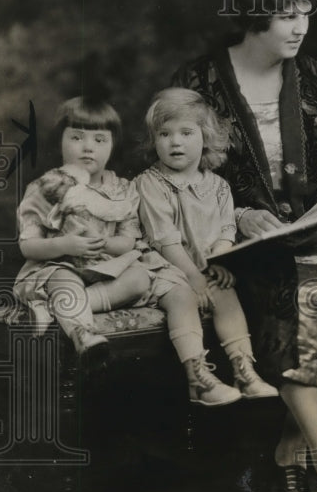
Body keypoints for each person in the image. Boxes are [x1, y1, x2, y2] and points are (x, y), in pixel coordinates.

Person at [171, 0, 317, 492]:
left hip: (308, 232)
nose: (300, 26)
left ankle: (290, 452)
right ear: (252, 16)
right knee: (289, 296)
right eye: (286, 14)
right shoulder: (197, 82)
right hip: (228, 244)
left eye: (305, 12)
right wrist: (238, 212)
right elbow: (176, 172)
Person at [13, 98, 228, 409]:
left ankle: (198, 375)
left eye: (99, 140)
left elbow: (128, 240)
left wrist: (105, 243)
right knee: (61, 279)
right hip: (62, 262)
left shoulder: (122, 189)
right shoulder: (45, 187)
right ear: (59, 140)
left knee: (143, 278)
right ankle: (84, 334)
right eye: (76, 137)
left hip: (109, 265)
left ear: (113, 144)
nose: (88, 148)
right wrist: (64, 245)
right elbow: (28, 244)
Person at [136, 87, 281, 401]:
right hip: (165, 268)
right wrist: (193, 275)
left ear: (206, 138)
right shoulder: (150, 183)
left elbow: (226, 231)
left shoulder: (218, 186)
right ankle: (197, 377)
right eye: (164, 133)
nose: (175, 142)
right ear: (154, 140)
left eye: (186, 132)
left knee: (225, 292)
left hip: (201, 267)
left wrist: (218, 262)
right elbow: (165, 242)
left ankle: (244, 370)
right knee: (184, 298)